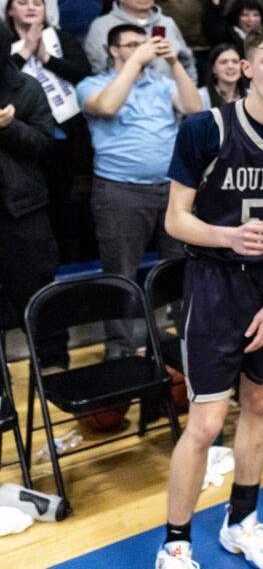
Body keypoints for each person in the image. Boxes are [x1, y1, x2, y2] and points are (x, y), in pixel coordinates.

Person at [156, 23, 263, 569]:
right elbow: (176, 219)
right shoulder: (204, 129)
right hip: (214, 283)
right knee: (207, 424)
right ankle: (176, 543)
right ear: (248, 68)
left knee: (260, 405)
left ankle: (241, 523)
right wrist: (228, 235)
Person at [77, 24, 202, 359]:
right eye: (131, 45)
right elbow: (106, 106)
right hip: (120, 191)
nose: (141, 49)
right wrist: (136, 62)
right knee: (121, 273)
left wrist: (174, 63)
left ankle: (185, 342)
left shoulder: (161, 83)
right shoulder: (92, 84)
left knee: (179, 268)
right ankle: (120, 349)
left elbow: (194, 109)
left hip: (171, 189)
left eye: (142, 44)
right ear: (113, 50)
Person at [6, 0, 92, 263]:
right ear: (10, 11)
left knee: (63, 206)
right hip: (20, 139)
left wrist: (46, 58)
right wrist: (25, 51)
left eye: (37, 2)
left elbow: (83, 73)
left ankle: (66, 262)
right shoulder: (5, 42)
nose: (31, 7)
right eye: (23, 2)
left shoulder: (60, 38)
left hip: (65, 136)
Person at [0, 17, 63, 371]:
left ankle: (53, 368)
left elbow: (43, 143)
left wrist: (10, 128)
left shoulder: (25, 87)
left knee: (38, 294)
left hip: (22, 210)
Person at [85, 0, 196, 80]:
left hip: (172, 90)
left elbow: (187, 62)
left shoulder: (167, 23)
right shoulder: (102, 26)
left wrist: (190, 87)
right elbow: (101, 70)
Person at [199, 43, 247, 108]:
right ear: (213, 68)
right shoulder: (201, 96)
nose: (230, 66)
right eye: (223, 62)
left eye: (235, 61)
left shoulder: (250, 95)